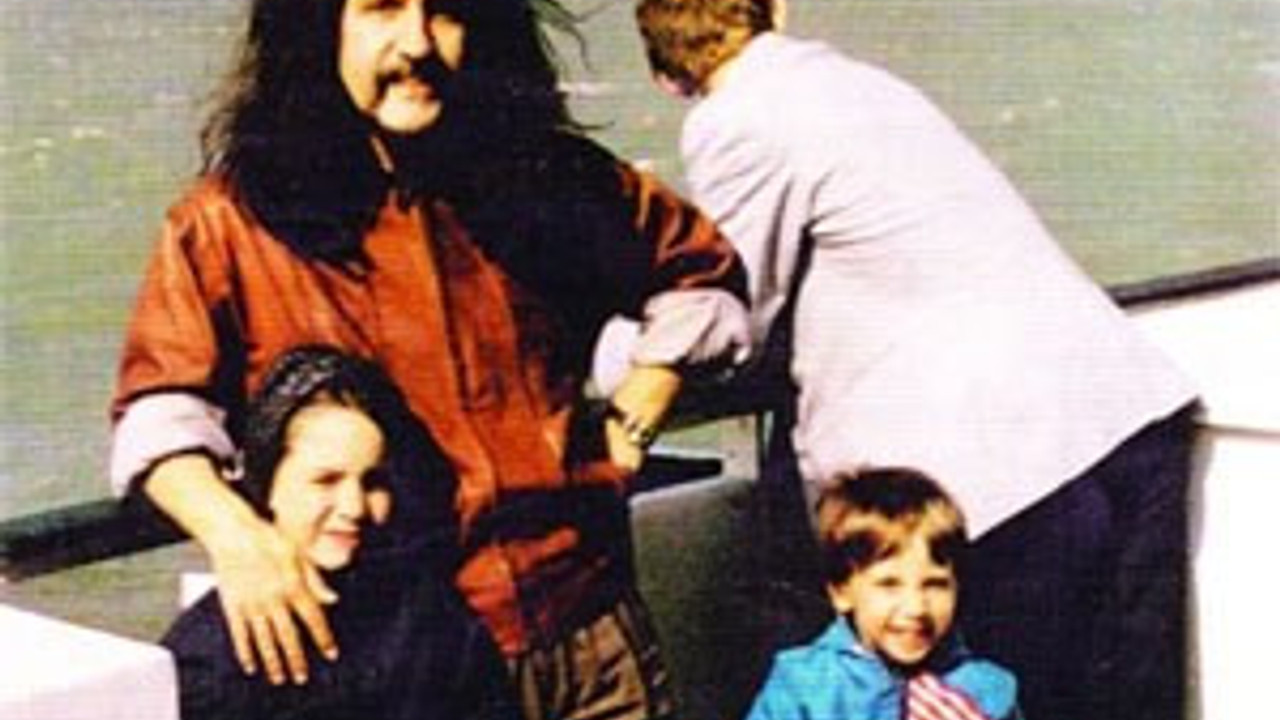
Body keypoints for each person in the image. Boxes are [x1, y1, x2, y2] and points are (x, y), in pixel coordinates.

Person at [109, 1, 750, 717]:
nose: (417, 42)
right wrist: (237, 538)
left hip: (594, 638)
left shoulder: (549, 178)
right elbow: (160, 412)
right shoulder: (231, 223)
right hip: (412, 668)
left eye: (446, 10)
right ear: (316, 25)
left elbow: (703, 274)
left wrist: (637, 412)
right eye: (382, 8)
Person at [634, 2, 1198, 719]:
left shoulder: (736, 117)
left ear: (665, 76)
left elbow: (722, 308)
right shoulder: (863, 83)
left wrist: (611, 352)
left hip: (1006, 468)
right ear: (776, 10)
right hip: (1121, 415)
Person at [162, 345, 520, 720]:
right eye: (326, 480)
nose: (354, 507)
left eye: (373, 482)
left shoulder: (432, 619)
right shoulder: (209, 659)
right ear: (266, 487)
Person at [747, 468, 1021, 720]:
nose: (916, 608)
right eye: (889, 584)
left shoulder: (988, 688)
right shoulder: (805, 684)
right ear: (841, 593)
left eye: (935, 584)